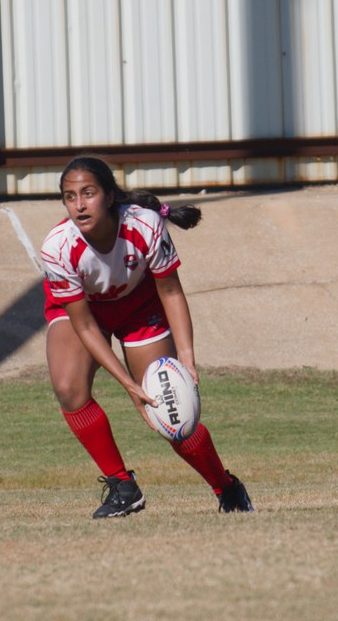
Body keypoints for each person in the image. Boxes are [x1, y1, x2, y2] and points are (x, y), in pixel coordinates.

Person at [40, 155, 254, 518]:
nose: (79, 204)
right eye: (70, 196)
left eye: (88, 193)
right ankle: (123, 486)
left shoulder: (145, 225)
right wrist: (127, 384)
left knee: (174, 418)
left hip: (139, 307)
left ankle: (227, 487)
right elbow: (85, 326)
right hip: (86, 312)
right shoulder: (57, 247)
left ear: (109, 196)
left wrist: (186, 360)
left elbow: (171, 292)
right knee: (68, 389)